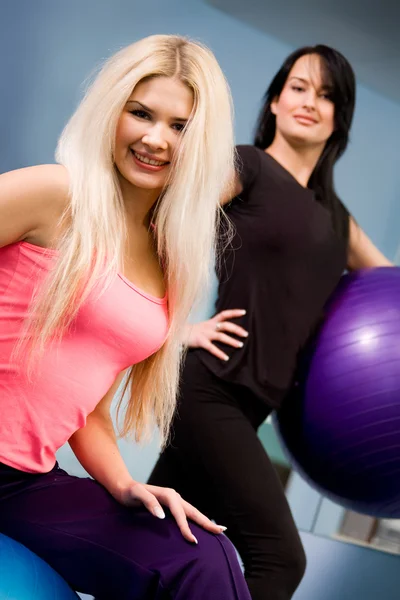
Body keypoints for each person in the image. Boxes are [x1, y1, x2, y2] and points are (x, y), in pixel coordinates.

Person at [0, 34, 252, 599]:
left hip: (20, 483)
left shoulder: (168, 261)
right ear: (113, 112)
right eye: (141, 113)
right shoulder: (55, 194)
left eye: (179, 125)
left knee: (200, 556)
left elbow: (86, 400)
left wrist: (124, 484)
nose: (154, 138)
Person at [148, 45, 393, 600]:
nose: (311, 101)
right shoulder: (248, 166)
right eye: (300, 87)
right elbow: (158, 219)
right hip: (208, 390)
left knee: (159, 548)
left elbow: (391, 286)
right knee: (280, 560)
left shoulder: (337, 219)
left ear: (340, 115)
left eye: (327, 94)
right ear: (278, 99)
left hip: (250, 408)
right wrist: (177, 329)